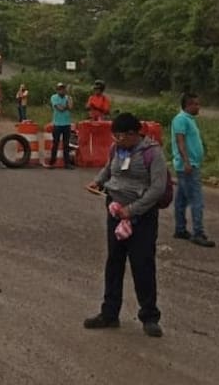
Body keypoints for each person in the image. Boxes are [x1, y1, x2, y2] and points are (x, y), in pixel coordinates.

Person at [84, 113, 167, 338]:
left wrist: (132, 210)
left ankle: (149, 316)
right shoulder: (117, 149)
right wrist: (98, 181)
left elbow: (157, 189)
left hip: (141, 217)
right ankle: (109, 313)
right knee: (114, 263)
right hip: (115, 211)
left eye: (119, 136)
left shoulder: (152, 153)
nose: (116, 140)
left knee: (142, 265)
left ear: (133, 134)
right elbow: (109, 168)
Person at [171, 92, 214, 246]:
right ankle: (198, 232)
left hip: (191, 164)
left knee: (181, 199)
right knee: (197, 200)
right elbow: (180, 141)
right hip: (188, 166)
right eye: (195, 104)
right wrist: (187, 162)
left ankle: (180, 228)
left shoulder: (189, 119)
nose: (198, 107)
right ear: (187, 105)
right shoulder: (181, 119)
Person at [46, 83, 75, 168]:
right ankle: (52, 162)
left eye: (63, 89)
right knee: (55, 143)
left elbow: (71, 106)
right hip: (57, 123)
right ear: (57, 90)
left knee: (66, 144)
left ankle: (67, 163)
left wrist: (68, 100)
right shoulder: (54, 97)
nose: (61, 91)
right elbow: (60, 109)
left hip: (67, 123)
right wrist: (67, 105)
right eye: (60, 89)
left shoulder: (68, 97)